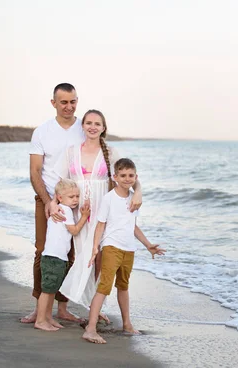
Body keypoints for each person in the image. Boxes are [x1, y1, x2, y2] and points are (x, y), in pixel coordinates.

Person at [53, 109, 143, 318]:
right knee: (78, 255)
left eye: (97, 124)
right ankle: (68, 306)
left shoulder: (111, 152)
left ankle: (94, 308)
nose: (93, 127)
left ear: (103, 128)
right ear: (83, 126)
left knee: (99, 258)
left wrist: (138, 192)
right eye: (89, 123)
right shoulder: (71, 150)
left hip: (103, 211)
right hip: (78, 210)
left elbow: (129, 176)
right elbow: (59, 182)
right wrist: (53, 203)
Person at [21, 83, 85, 324]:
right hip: (47, 199)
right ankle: (39, 309)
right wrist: (49, 202)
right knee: (43, 251)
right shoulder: (43, 131)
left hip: (75, 201)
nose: (69, 106)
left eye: (73, 101)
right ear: (54, 103)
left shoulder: (83, 128)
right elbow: (35, 172)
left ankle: (62, 307)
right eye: (64, 102)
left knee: (70, 254)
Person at [82, 158, 165, 344]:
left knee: (123, 286)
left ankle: (127, 324)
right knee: (104, 287)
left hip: (129, 248)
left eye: (131, 175)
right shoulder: (109, 198)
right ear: (115, 177)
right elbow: (100, 225)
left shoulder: (134, 200)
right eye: (123, 175)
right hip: (112, 246)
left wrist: (147, 244)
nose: (127, 179)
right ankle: (91, 328)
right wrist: (96, 247)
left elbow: (133, 226)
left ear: (136, 177)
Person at [34, 179, 90, 331]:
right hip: (54, 257)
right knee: (47, 290)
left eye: (77, 196)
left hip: (57, 257)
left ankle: (48, 317)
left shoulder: (59, 207)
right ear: (60, 197)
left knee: (52, 289)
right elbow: (74, 230)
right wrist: (84, 216)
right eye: (71, 197)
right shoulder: (65, 210)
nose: (76, 200)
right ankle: (40, 320)